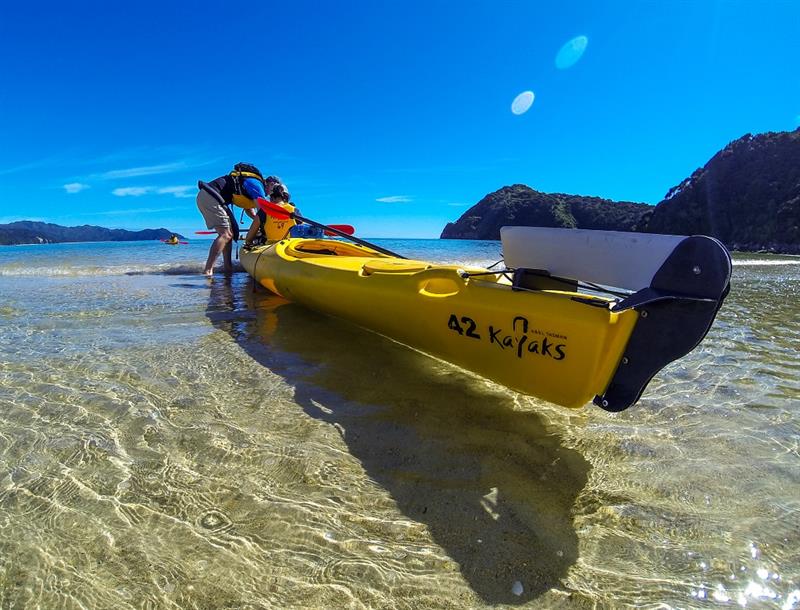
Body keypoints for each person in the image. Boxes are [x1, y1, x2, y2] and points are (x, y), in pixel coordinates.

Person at [196, 163, 274, 275]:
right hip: (211, 196)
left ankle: (228, 268)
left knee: (230, 234)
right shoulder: (257, 185)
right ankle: (208, 270)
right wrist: (264, 227)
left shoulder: (252, 183)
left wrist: (255, 220)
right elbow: (262, 212)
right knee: (225, 234)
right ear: (270, 184)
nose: (272, 194)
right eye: (273, 189)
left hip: (209, 196)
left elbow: (249, 210)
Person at [243, 181, 323, 249]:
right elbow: (303, 230)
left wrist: (249, 244)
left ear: (271, 197)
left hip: (270, 248)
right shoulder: (293, 210)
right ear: (286, 197)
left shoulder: (264, 211)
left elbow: (249, 238)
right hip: (290, 247)